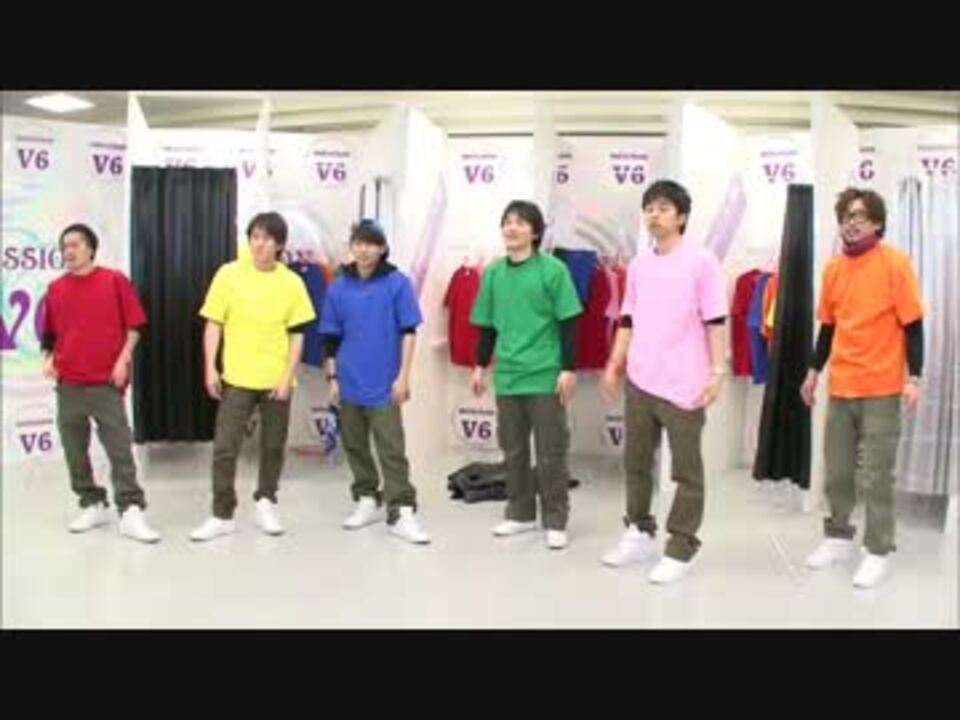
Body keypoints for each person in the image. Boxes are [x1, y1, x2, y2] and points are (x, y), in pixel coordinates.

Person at [599, 180, 727, 584]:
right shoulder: (639, 265)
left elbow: (715, 321)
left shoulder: (702, 262)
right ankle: (638, 530)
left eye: (664, 208)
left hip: (685, 382)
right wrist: (614, 363)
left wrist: (717, 373)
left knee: (686, 471)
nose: (654, 214)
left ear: (681, 217)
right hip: (640, 378)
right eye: (649, 208)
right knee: (636, 463)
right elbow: (628, 318)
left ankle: (681, 546)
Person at [801, 187, 924, 589]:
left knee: (876, 475)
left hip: (882, 387)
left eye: (859, 215)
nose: (851, 222)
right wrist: (813, 371)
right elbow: (828, 327)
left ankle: (878, 550)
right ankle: (838, 538)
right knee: (837, 471)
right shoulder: (834, 269)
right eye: (845, 216)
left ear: (877, 223)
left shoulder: (895, 263)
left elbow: (913, 324)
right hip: (842, 385)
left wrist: (914, 377)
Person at [190, 212, 316, 541]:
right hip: (237, 377)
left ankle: (266, 501)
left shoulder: (292, 283)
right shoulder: (228, 274)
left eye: (268, 239)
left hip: (276, 378)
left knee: (273, 446)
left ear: (280, 245)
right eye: (255, 237)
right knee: (225, 447)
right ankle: (222, 513)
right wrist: (210, 367)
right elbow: (213, 323)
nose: (260, 244)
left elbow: (297, 335)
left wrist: (287, 377)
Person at [469, 200, 583, 550]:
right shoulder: (493, 273)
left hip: (545, 374)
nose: (512, 228)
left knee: (550, 452)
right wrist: (479, 366)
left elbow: (569, 321)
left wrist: (568, 368)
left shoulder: (553, 270)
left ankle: (555, 519)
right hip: (508, 375)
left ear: (535, 232)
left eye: (520, 222)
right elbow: (486, 326)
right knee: (514, 451)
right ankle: (520, 513)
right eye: (507, 222)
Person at [41, 223, 159, 543]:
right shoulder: (56, 289)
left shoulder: (114, 281)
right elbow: (49, 333)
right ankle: (92, 501)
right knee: (74, 449)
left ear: (91, 248)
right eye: (64, 246)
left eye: (75, 244)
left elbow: (135, 325)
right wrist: (47, 357)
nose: (68, 251)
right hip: (68, 383)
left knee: (119, 447)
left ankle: (130, 509)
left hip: (105, 381)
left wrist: (123, 360)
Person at [319, 219, 430, 544]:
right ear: (351, 246)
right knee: (354, 444)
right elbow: (330, 337)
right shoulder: (339, 285)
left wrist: (403, 376)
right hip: (348, 379)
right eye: (358, 243)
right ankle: (366, 497)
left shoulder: (397, 283)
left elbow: (409, 332)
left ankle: (401, 509)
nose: (364, 249)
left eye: (371, 243)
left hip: (384, 382)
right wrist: (332, 377)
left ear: (382, 248)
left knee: (391, 447)